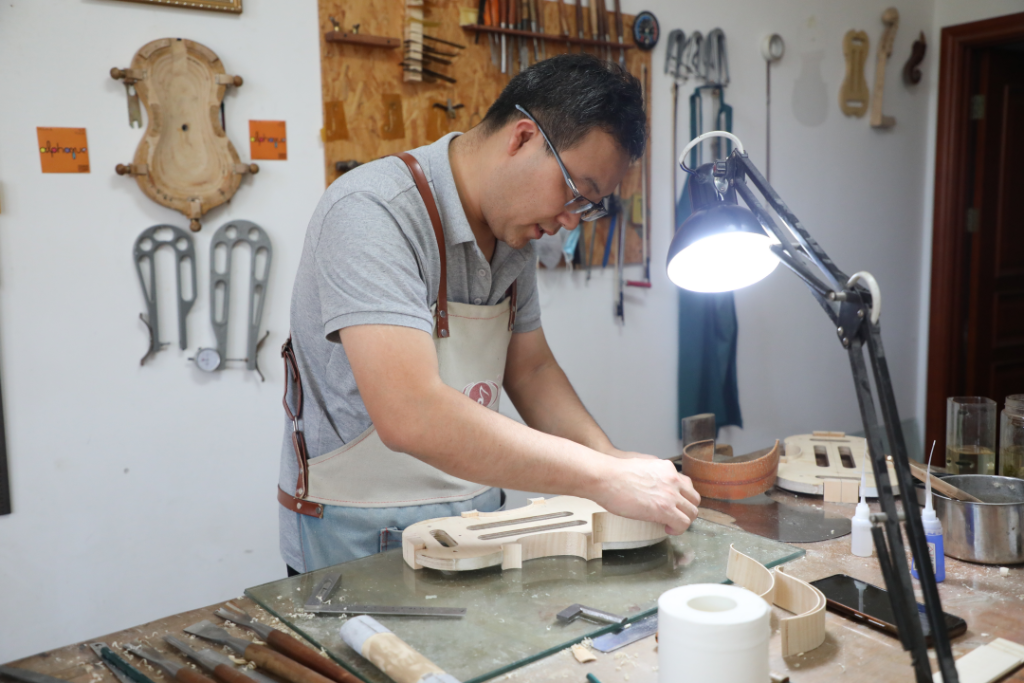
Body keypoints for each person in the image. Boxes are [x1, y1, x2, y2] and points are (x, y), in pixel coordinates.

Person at [278, 53, 700, 575]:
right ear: (522, 138)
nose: (572, 221)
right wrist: (601, 477)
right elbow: (411, 415)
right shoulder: (372, 211)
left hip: (475, 522)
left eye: (590, 207)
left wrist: (610, 459)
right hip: (356, 531)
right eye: (575, 192)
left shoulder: (512, 236)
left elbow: (531, 370)